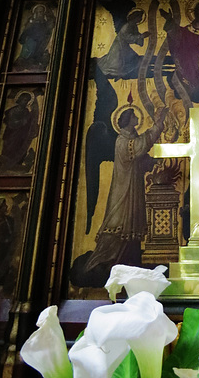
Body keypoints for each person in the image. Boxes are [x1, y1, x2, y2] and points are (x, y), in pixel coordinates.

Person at [74, 106, 167, 286]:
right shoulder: (122, 141)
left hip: (134, 188)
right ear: (127, 120)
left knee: (131, 225)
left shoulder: (130, 138)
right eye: (133, 115)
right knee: (118, 223)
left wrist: (151, 162)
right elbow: (139, 148)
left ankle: (129, 265)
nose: (136, 118)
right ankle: (100, 262)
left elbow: (139, 158)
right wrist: (158, 124)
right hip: (123, 190)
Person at [0, 91, 39, 173]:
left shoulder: (26, 111)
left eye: (26, 100)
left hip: (21, 135)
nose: (24, 102)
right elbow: (11, 122)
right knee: (9, 148)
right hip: (12, 134)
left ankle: (16, 163)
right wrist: (21, 122)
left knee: (18, 148)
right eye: (23, 99)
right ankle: (4, 163)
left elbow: (29, 122)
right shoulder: (13, 110)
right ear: (19, 99)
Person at [98, 8, 150, 79]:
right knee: (118, 65)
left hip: (125, 47)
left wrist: (141, 37)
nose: (140, 19)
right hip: (119, 47)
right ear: (134, 17)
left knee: (136, 60)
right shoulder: (127, 26)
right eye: (139, 17)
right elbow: (127, 37)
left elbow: (135, 36)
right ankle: (120, 74)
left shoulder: (134, 26)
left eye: (141, 18)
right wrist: (141, 36)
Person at [14, 3, 56, 71]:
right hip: (30, 44)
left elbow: (51, 25)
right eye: (38, 12)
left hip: (40, 45)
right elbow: (24, 34)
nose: (40, 14)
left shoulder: (45, 24)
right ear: (35, 13)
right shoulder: (31, 23)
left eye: (42, 12)